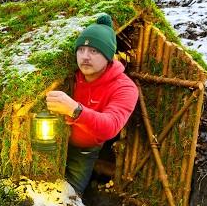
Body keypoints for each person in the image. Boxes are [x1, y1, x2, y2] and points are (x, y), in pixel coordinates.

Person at [46, 13, 139, 195]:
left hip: (84, 152)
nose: (85, 57)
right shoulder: (71, 75)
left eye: (94, 51)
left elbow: (110, 126)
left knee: (69, 197)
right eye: (81, 50)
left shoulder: (125, 88)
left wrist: (75, 110)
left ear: (108, 56)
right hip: (55, 143)